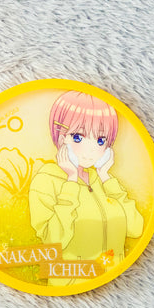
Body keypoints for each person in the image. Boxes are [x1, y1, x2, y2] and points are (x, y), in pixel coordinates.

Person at [28, 91, 144, 286]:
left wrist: (106, 177)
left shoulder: (102, 180)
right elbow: (53, 243)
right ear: (61, 137)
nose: (91, 150)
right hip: (71, 290)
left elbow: (136, 228)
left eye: (100, 140)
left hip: (116, 287)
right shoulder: (46, 181)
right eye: (78, 137)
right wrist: (71, 182)